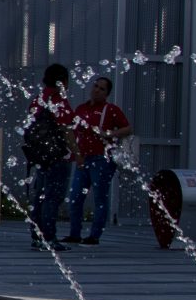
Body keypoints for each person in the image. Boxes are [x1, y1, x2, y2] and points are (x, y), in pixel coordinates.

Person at [63, 75, 134, 245]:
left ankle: (95, 235)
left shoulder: (111, 110)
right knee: (75, 196)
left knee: (100, 197)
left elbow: (128, 128)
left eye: (101, 88)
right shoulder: (81, 109)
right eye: (95, 86)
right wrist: (75, 152)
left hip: (102, 159)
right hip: (83, 157)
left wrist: (109, 133)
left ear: (107, 93)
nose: (96, 90)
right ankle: (75, 233)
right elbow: (71, 130)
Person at [22, 63, 75, 250]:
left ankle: (37, 236)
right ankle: (49, 238)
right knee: (53, 197)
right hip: (58, 157)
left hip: (41, 156)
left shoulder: (39, 99)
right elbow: (67, 130)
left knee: (40, 197)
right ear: (63, 81)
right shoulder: (59, 100)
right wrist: (77, 152)